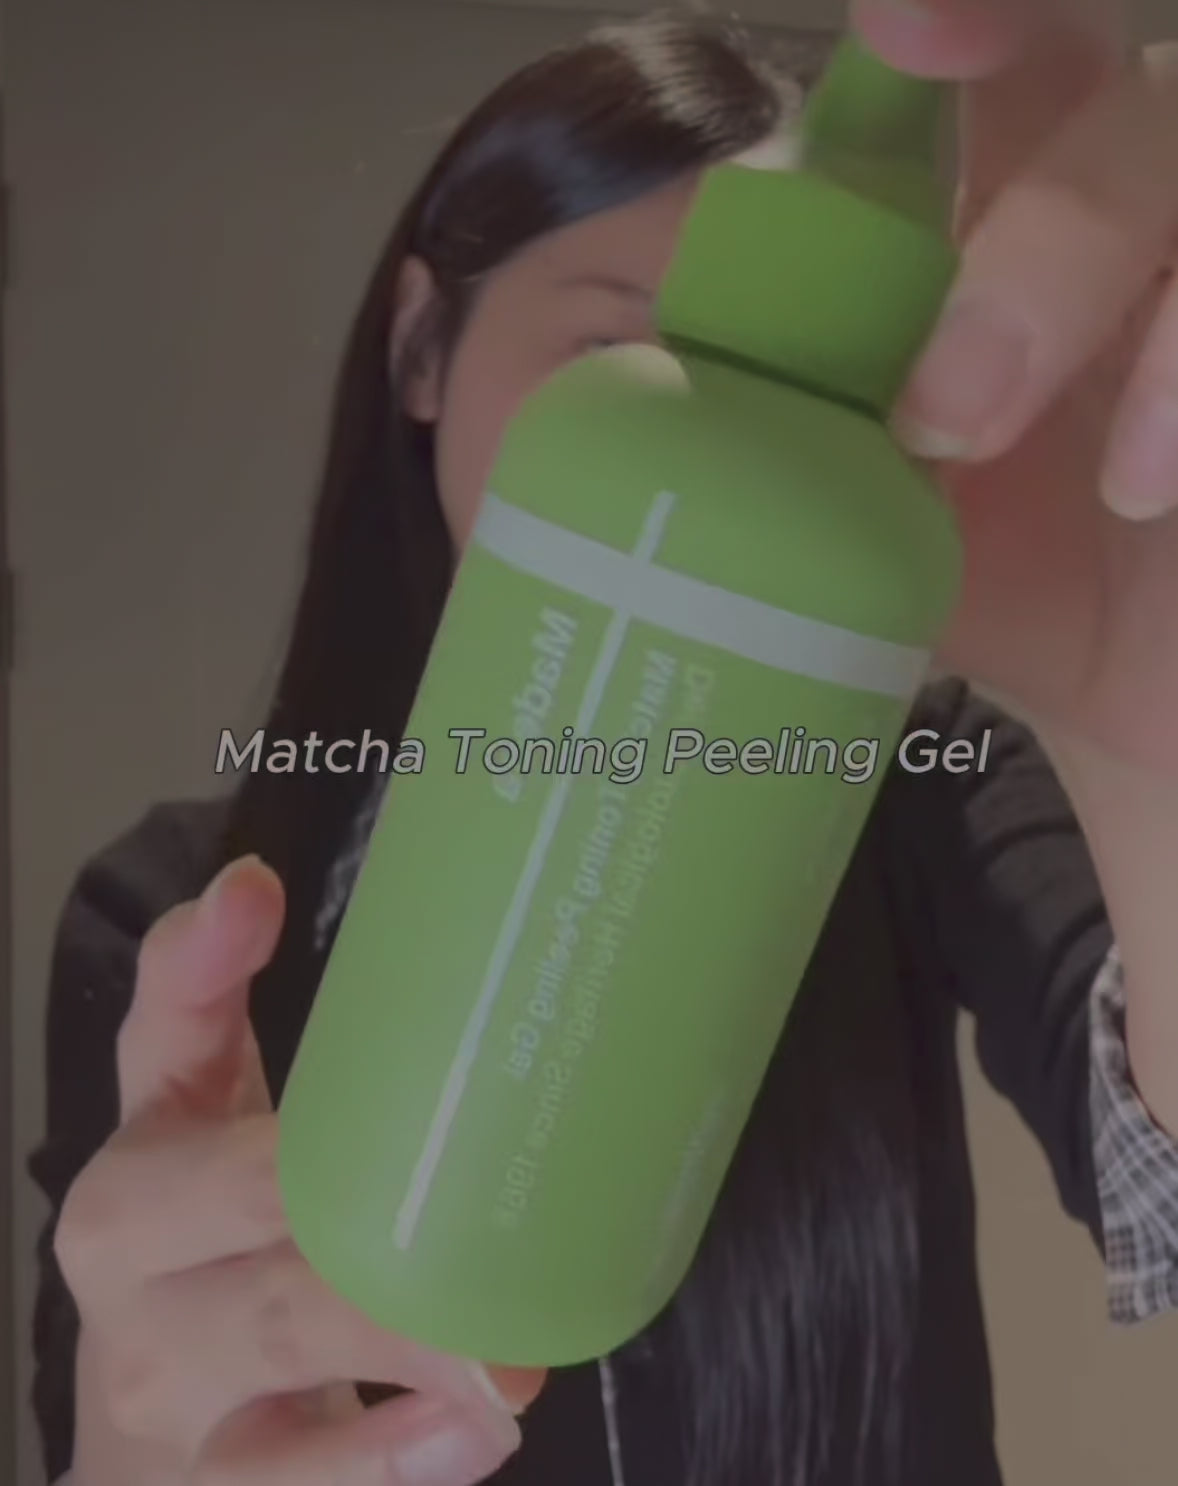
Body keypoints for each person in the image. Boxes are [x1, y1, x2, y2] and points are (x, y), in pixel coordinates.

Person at [25, 2, 1178, 1484]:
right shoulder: (172, 911)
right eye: (621, 347)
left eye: (803, 407)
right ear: (421, 342)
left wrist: (1143, 729)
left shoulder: (912, 798)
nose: (717, 448)